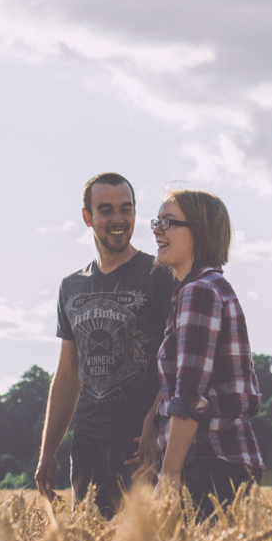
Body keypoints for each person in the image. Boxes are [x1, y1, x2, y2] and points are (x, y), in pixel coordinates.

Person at [36, 172, 174, 517]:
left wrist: (156, 424)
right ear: (88, 217)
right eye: (106, 210)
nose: (118, 220)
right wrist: (48, 450)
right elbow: (67, 374)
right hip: (87, 447)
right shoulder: (71, 287)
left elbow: (177, 359)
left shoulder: (159, 275)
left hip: (139, 446)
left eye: (126, 209)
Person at [144, 188, 264, 515]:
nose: (156, 229)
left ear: (198, 231)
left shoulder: (199, 292)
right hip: (218, 465)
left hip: (208, 467)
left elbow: (189, 396)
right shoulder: (206, 288)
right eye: (157, 221)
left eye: (168, 223)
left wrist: (168, 477)